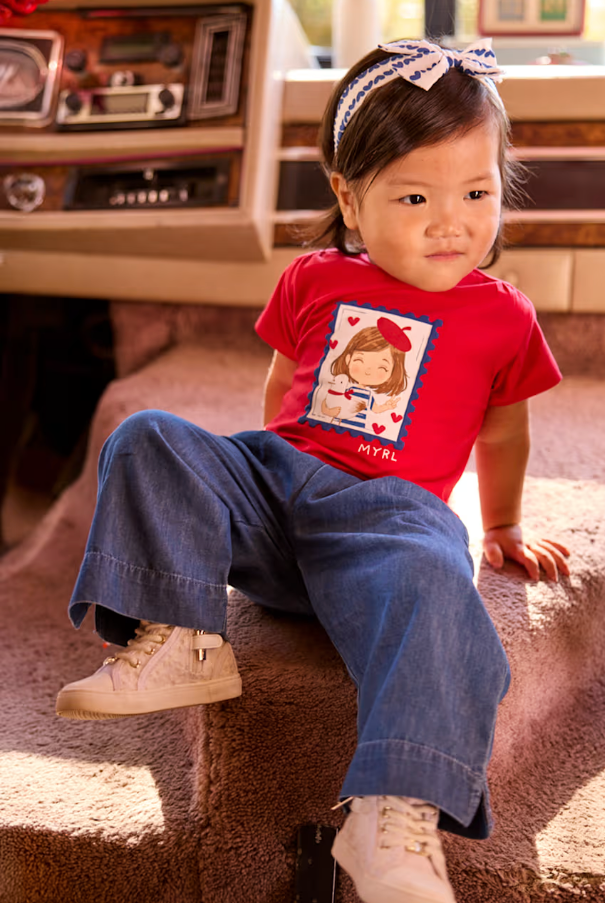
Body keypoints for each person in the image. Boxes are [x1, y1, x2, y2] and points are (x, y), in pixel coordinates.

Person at [56, 37, 570, 903]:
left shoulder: (502, 317)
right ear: (347, 198)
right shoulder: (313, 277)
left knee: (441, 584)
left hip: (388, 526)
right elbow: (279, 385)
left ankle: (392, 812)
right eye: (415, 196)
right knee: (148, 435)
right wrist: (248, 487)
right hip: (281, 488)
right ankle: (180, 634)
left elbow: (504, 431)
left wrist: (504, 523)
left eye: (477, 193)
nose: (451, 222)